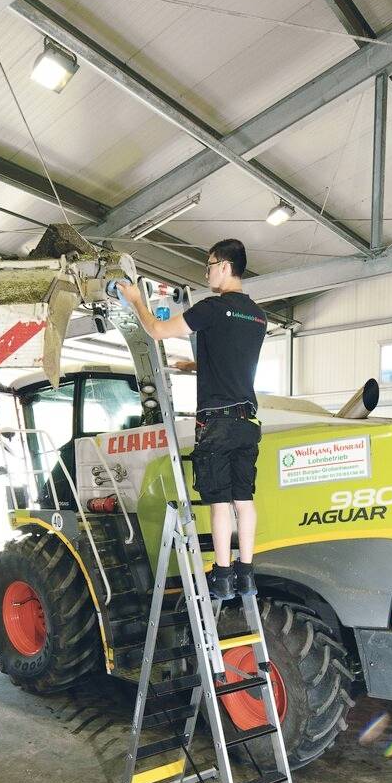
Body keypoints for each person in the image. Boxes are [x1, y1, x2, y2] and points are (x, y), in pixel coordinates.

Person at [116, 239, 267, 600]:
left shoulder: (212, 308)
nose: (208, 272)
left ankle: (223, 575)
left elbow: (155, 330)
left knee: (219, 503)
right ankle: (246, 574)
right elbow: (235, 361)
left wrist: (137, 299)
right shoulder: (258, 316)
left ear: (226, 266)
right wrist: (195, 366)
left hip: (217, 424)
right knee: (243, 501)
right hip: (248, 422)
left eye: (210, 265)